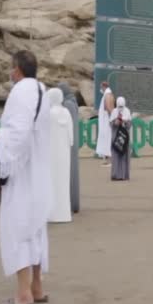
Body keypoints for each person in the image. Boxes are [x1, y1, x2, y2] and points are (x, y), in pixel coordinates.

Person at [0, 50, 51, 304]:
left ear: (17, 69)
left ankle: (23, 294)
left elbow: (19, 133)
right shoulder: (41, 90)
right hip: (37, 170)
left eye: (11, 68)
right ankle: (36, 287)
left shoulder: (21, 90)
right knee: (35, 227)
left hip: (22, 172)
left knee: (19, 227)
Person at [47, 88, 73, 224]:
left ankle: (52, 213)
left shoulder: (49, 114)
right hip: (64, 153)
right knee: (63, 182)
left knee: (52, 182)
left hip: (52, 152)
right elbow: (71, 136)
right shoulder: (66, 112)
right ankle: (63, 213)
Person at [58, 83, 80, 213]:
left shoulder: (67, 105)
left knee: (69, 175)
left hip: (68, 143)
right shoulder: (73, 102)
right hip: (73, 142)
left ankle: (70, 203)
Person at [110, 97, 132, 181]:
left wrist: (125, 122)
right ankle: (115, 175)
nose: (120, 109)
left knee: (124, 155)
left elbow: (129, 125)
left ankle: (124, 175)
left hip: (124, 137)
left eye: (122, 107)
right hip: (115, 136)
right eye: (119, 106)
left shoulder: (127, 111)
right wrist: (115, 122)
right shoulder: (114, 111)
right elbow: (111, 124)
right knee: (115, 155)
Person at [96, 81, 115, 166]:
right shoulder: (109, 94)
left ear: (104, 87)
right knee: (107, 139)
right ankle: (107, 160)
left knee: (107, 139)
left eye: (101, 87)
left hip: (106, 120)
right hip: (106, 120)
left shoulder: (107, 95)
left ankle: (109, 160)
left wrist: (112, 117)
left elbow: (108, 107)